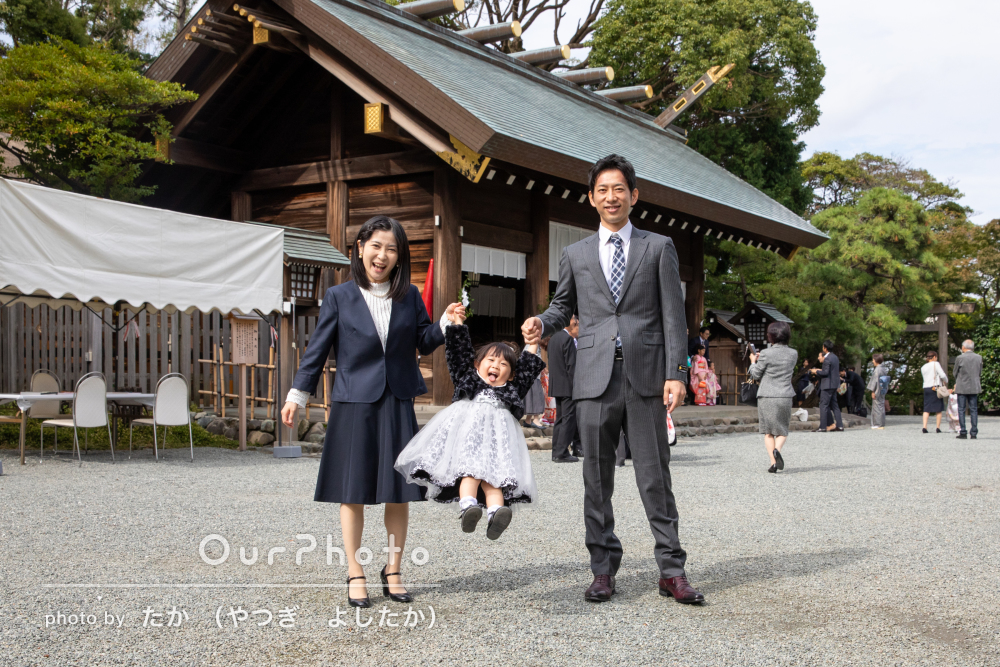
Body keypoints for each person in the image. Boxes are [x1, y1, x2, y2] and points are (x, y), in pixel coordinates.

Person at [520, 154, 703, 605]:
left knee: (654, 476)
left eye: (618, 188)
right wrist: (542, 323)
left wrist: (677, 373)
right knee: (596, 478)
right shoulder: (576, 254)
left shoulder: (658, 247)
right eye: (602, 190)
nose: (611, 196)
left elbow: (673, 317)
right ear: (591, 198)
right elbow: (563, 307)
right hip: (594, 378)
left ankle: (672, 570)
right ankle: (602, 569)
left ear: (633, 195)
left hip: (645, 377)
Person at [280, 215, 464, 609]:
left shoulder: (410, 296)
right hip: (353, 404)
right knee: (354, 491)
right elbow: (316, 352)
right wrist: (297, 394)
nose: (382, 255)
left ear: (400, 257)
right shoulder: (339, 297)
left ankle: (393, 570)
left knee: (400, 492)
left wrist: (445, 323)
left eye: (392, 249)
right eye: (376, 246)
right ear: (360, 247)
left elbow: (423, 340)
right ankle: (355, 572)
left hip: (396, 401)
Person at [395, 319, 544, 540]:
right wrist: (456, 325)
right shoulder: (468, 380)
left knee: (495, 480)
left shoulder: (512, 389)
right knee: (471, 473)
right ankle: (468, 507)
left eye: (504, 365)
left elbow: (528, 369)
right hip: (470, 443)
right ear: (477, 364)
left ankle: (496, 513)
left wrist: (532, 343)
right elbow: (457, 353)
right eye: (491, 360)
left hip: (496, 448)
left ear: (512, 374)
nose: (496, 366)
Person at [748, 322, 798, 473]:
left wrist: (753, 361)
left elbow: (756, 374)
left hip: (767, 396)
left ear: (771, 336)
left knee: (768, 431)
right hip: (785, 395)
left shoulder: (766, 353)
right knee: (782, 430)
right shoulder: (793, 353)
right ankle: (778, 450)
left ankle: (773, 463)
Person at [548, 315, 582, 462]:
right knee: (568, 419)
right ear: (570, 322)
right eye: (576, 323)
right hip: (568, 384)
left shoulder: (553, 338)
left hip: (557, 383)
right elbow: (571, 366)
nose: (577, 326)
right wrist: (577, 386)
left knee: (560, 419)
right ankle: (562, 452)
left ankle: (556, 450)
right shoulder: (567, 339)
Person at [952, 339, 983, 440]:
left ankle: (963, 432)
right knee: (974, 410)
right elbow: (979, 372)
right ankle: (974, 433)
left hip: (962, 386)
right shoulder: (979, 357)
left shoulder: (960, 358)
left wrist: (958, 380)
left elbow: (954, 372)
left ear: (963, 347)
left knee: (961, 409)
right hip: (974, 386)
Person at [811, 341, 844, 432]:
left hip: (827, 385)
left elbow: (825, 373)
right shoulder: (835, 357)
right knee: (835, 406)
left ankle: (822, 427)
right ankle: (840, 425)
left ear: (825, 348)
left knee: (823, 405)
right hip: (834, 385)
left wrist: (816, 371)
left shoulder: (827, 358)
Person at [920, 350, 948, 433]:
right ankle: (938, 427)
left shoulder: (923, 367)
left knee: (926, 408)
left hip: (926, 388)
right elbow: (942, 375)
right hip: (935, 388)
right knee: (938, 408)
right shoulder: (936, 364)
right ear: (934, 357)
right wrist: (946, 380)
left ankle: (924, 427)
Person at [867, 353, 889, 429]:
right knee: (881, 406)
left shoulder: (877, 370)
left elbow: (875, 381)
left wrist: (873, 391)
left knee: (877, 407)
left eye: (873, 360)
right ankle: (881, 423)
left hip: (877, 390)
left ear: (876, 360)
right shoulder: (883, 368)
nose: (872, 361)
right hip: (883, 389)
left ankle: (877, 424)